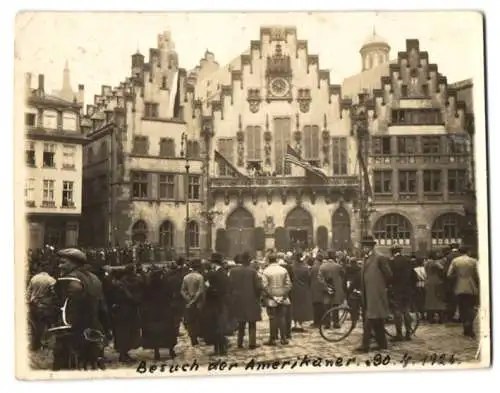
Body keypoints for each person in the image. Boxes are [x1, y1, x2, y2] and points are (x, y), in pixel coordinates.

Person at [51, 248, 112, 370]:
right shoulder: (95, 279)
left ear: (74, 263)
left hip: (71, 334)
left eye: (63, 262)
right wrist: (106, 329)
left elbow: (64, 307)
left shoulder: (68, 280)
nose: (60, 266)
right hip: (93, 331)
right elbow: (102, 308)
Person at [355, 236, 392, 353]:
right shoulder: (366, 258)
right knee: (377, 320)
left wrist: (382, 287)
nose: (363, 248)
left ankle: (365, 345)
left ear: (371, 246)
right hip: (368, 293)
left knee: (369, 319)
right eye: (363, 246)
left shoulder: (379, 258)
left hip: (376, 294)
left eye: (366, 246)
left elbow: (389, 275)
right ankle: (383, 344)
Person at [107, 265, 142, 363]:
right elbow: (131, 298)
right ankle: (123, 355)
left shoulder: (118, 285)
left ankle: (124, 353)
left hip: (121, 313)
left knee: (122, 334)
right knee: (124, 334)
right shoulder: (122, 286)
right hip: (125, 312)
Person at [228, 251, 262, 349]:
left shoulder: (233, 271)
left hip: (238, 300)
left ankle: (240, 342)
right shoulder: (253, 272)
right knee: (252, 323)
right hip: (251, 300)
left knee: (241, 323)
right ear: (249, 261)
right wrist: (257, 297)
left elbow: (230, 286)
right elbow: (258, 287)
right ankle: (252, 343)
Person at [447, 246, 480, 338]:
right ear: (468, 251)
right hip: (471, 286)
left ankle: (465, 327)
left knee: (462, 307)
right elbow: (478, 275)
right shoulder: (473, 261)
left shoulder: (455, 261)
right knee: (470, 307)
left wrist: (458, 276)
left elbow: (449, 274)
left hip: (459, 286)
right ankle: (470, 327)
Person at [261, 253, 292, 346]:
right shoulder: (283, 270)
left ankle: (272, 339)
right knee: (282, 317)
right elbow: (288, 284)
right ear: (276, 260)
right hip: (283, 297)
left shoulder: (266, 271)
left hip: (271, 298)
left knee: (272, 318)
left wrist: (273, 296)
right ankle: (283, 338)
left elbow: (265, 286)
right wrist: (282, 295)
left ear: (268, 260)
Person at [388, 244, 417, 341]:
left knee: (397, 312)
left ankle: (399, 334)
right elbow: (414, 276)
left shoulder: (392, 262)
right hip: (408, 290)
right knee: (406, 311)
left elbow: (390, 277)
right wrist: (412, 288)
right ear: (400, 251)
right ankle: (408, 333)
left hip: (397, 290)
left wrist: (390, 286)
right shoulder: (408, 261)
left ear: (392, 252)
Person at [205, 252, 231, 356]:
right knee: (216, 326)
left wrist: (209, 288)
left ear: (215, 263)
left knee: (218, 326)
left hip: (219, 303)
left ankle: (222, 347)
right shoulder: (219, 272)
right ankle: (219, 349)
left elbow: (222, 289)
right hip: (217, 303)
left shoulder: (220, 273)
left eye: (211, 262)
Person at [27, 265, 57, 351]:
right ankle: (38, 345)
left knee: (34, 326)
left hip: (32, 304)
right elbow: (54, 293)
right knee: (42, 326)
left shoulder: (34, 278)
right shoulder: (51, 280)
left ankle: (35, 344)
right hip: (44, 305)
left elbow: (28, 291)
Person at [318, 251, 346, 329]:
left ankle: (327, 323)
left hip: (326, 289)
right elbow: (343, 274)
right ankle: (336, 323)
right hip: (336, 289)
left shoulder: (322, 266)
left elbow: (320, 278)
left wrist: (326, 287)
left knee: (327, 307)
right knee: (335, 307)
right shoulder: (338, 266)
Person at [181, 259, 206, 346]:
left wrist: (188, 299)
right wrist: (194, 300)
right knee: (198, 320)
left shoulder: (186, 277)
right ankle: (198, 336)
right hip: (198, 303)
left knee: (190, 321)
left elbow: (182, 290)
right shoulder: (200, 277)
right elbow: (200, 291)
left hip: (188, 303)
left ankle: (193, 338)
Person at [290, 253, 313, 332]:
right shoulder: (305, 268)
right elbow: (309, 279)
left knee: (294, 306)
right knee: (301, 307)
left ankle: (295, 323)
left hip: (294, 288)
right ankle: (300, 323)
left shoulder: (291, 267)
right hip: (303, 289)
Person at [424, 250, 447, 324]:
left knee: (430, 300)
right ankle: (441, 318)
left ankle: (431, 318)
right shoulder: (435, 263)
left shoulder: (426, 263)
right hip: (436, 281)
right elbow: (442, 268)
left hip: (428, 281)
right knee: (438, 299)